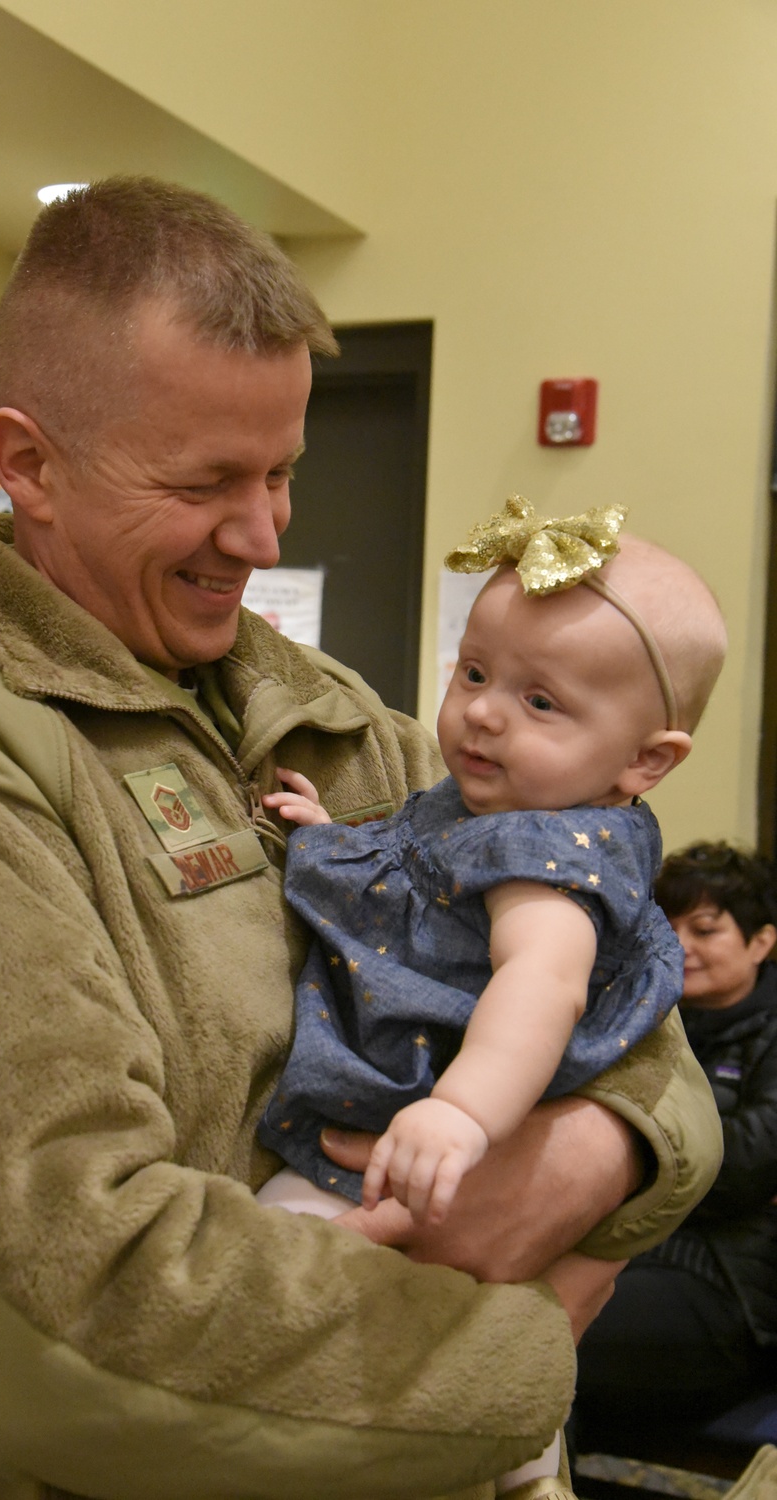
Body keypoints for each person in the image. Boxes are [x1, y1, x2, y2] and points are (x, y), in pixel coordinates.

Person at [0, 178, 723, 1500]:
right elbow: (77, 1310)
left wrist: (587, 1155)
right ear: (30, 463)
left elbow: (645, 1023)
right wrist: (520, 1343)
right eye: (207, 481)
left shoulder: (348, 726)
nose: (266, 532)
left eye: (281, 470)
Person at [256, 505, 726, 1498]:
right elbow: (405, 862)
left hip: (417, 1131)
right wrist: (324, 833)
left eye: (542, 702)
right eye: (474, 673)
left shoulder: (547, 864)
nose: (483, 713)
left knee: (289, 1271)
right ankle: (514, 1442)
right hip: (428, 1140)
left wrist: (461, 1114)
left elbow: (539, 983)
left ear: (646, 761)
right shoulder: (501, 803)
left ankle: (506, 1432)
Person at [573, 840, 777, 1454]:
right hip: (623, 1252)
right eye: (670, 924)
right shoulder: (639, 1018)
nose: (682, 944)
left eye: (707, 928)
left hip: (729, 1286)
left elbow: (744, 1164)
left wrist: (618, 1146)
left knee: (544, 1340)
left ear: (762, 942)